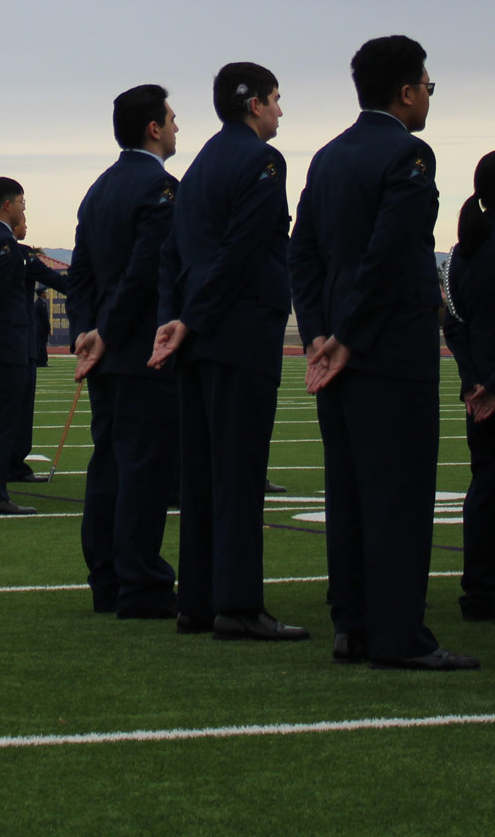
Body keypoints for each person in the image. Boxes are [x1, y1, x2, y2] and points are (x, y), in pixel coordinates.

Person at [298, 36, 475, 671]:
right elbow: (391, 253)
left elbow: (304, 253)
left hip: (337, 350)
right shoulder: (409, 154)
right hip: (388, 350)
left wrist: (318, 334)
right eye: (427, 85)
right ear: (405, 91)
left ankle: (353, 625)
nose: (429, 96)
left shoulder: (327, 156)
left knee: (348, 492)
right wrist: (346, 335)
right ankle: (400, 636)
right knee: (399, 495)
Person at [153, 61, 306, 644]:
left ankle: (198, 599)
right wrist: (191, 318)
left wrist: (176, 318)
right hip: (238, 335)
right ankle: (238, 604)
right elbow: (242, 251)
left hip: (198, 339)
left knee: (201, 474)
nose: (280, 110)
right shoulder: (263, 160)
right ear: (254, 103)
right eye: (275, 98)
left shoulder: (198, 166)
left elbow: (173, 254)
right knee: (239, 474)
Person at [69, 84, 183, 620]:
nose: (177, 127)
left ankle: (108, 579)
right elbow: (144, 273)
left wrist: (85, 331)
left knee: (109, 463)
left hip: (105, 351)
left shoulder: (99, 188)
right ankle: (141, 582)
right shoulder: (160, 188)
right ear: (153, 129)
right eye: (172, 118)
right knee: (143, 467)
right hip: (139, 350)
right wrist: (108, 333)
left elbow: (82, 273)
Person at [445, 149, 495, 627]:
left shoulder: (462, 250)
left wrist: (473, 382)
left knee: (484, 486)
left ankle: (478, 589)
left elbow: (455, 324)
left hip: (478, 391)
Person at [0, 176, 68, 515]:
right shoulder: (4, 245)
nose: (24, 208)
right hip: (4, 345)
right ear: (7, 205)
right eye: (21, 202)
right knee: (0, 421)